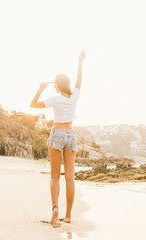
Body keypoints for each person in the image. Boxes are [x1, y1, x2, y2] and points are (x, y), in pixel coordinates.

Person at [30, 49, 86, 227]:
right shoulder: (74, 97)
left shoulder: (55, 98)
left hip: (57, 134)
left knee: (55, 177)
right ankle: (68, 215)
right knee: (70, 178)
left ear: (57, 85)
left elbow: (33, 105)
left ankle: (55, 209)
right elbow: (79, 81)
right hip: (71, 135)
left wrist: (40, 89)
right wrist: (80, 62)